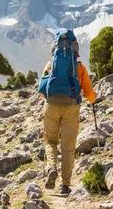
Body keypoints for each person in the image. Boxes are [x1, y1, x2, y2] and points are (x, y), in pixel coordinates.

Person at [38, 30, 95, 195]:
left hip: (51, 106)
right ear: (74, 47)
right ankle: (65, 184)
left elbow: (43, 91)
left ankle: (51, 168)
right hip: (71, 107)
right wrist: (92, 101)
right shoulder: (80, 66)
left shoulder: (50, 64)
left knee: (50, 141)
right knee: (68, 147)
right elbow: (88, 92)